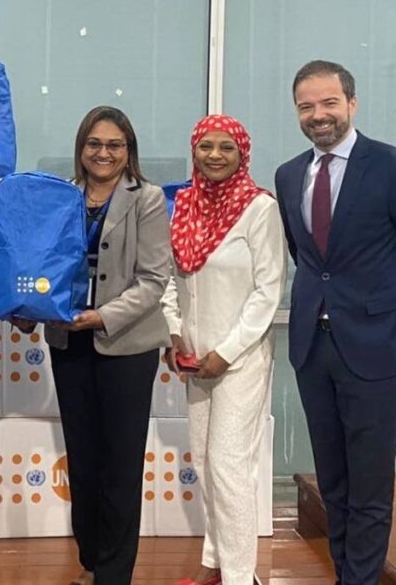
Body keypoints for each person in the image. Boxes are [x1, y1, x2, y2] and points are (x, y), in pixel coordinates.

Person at [274, 60, 396, 585]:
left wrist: (395, 321)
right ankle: (346, 573)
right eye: (307, 106)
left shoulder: (394, 167)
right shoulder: (288, 175)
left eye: (329, 103)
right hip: (313, 347)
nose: (318, 115)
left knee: (369, 482)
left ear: (352, 103)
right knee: (334, 479)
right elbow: (306, 259)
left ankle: (360, 580)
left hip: (379, 348)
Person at [43, 106, 171, 585]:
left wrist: (103, 317)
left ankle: (115, 575)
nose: (103, 152)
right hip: (67, 342)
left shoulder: (148, 199)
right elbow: (43, 266)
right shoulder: (62, 197)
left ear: (128, 151)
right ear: (81, 148)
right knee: (83, 458)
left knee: (120, 462)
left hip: (126, 346)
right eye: (94, 143)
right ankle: (92, 561)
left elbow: (154, 280)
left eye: (114, 145)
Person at [163, 115, 286, 585]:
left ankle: (241, 576)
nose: (214, 156)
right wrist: (175, 334)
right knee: (203, 462)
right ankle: (215, 564)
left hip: (241, 359)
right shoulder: (185, 207)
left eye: (225, 148)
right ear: (193, 151)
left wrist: (228, 351)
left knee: (229, 465)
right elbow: (173, 283)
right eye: (205, 147)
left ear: (242, 156)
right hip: (196, 359)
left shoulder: (259, 209)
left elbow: (267, 291)